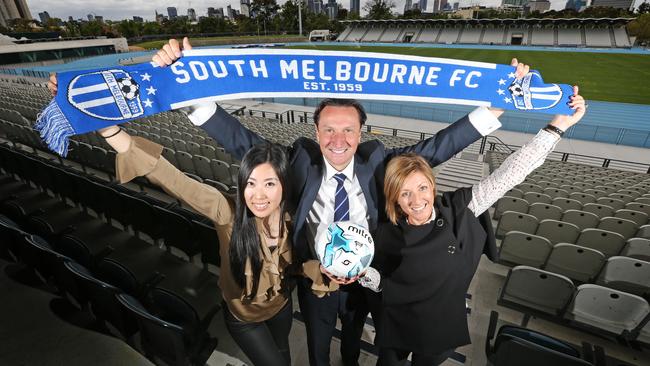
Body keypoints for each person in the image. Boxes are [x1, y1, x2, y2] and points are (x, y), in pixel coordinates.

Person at [152, 37, 526, 366]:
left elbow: (434, 150)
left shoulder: (377, 160)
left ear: (361, 132)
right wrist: (190, 92)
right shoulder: (299, 160)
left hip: (369, 274)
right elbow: (242, 141)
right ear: (316, 132)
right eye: (329, 129)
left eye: (348, 129)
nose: (338, 139)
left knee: (354, 333)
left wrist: (491, 110)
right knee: (318, 337)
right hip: (315, 272)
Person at [48, 77, 296, 365]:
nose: (259, 195)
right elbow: (172, 179)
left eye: (270, 184)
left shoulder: (296, 217)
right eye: (250, 183)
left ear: (284, 185)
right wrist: (107, 128)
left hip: (281, 307)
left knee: (284, 354)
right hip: (244, 319)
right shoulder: (226, 212)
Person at [357, 87, 586, 366]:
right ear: (393, 197)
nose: (417, 201)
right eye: (405, 193)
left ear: (432, 185)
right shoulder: (384, 229)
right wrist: (358, 273)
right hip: (396, 323)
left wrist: (558, 125)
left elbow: (511, 172)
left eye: (422, 188)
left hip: (440, 326)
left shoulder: (458, 210)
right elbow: (379, 279)